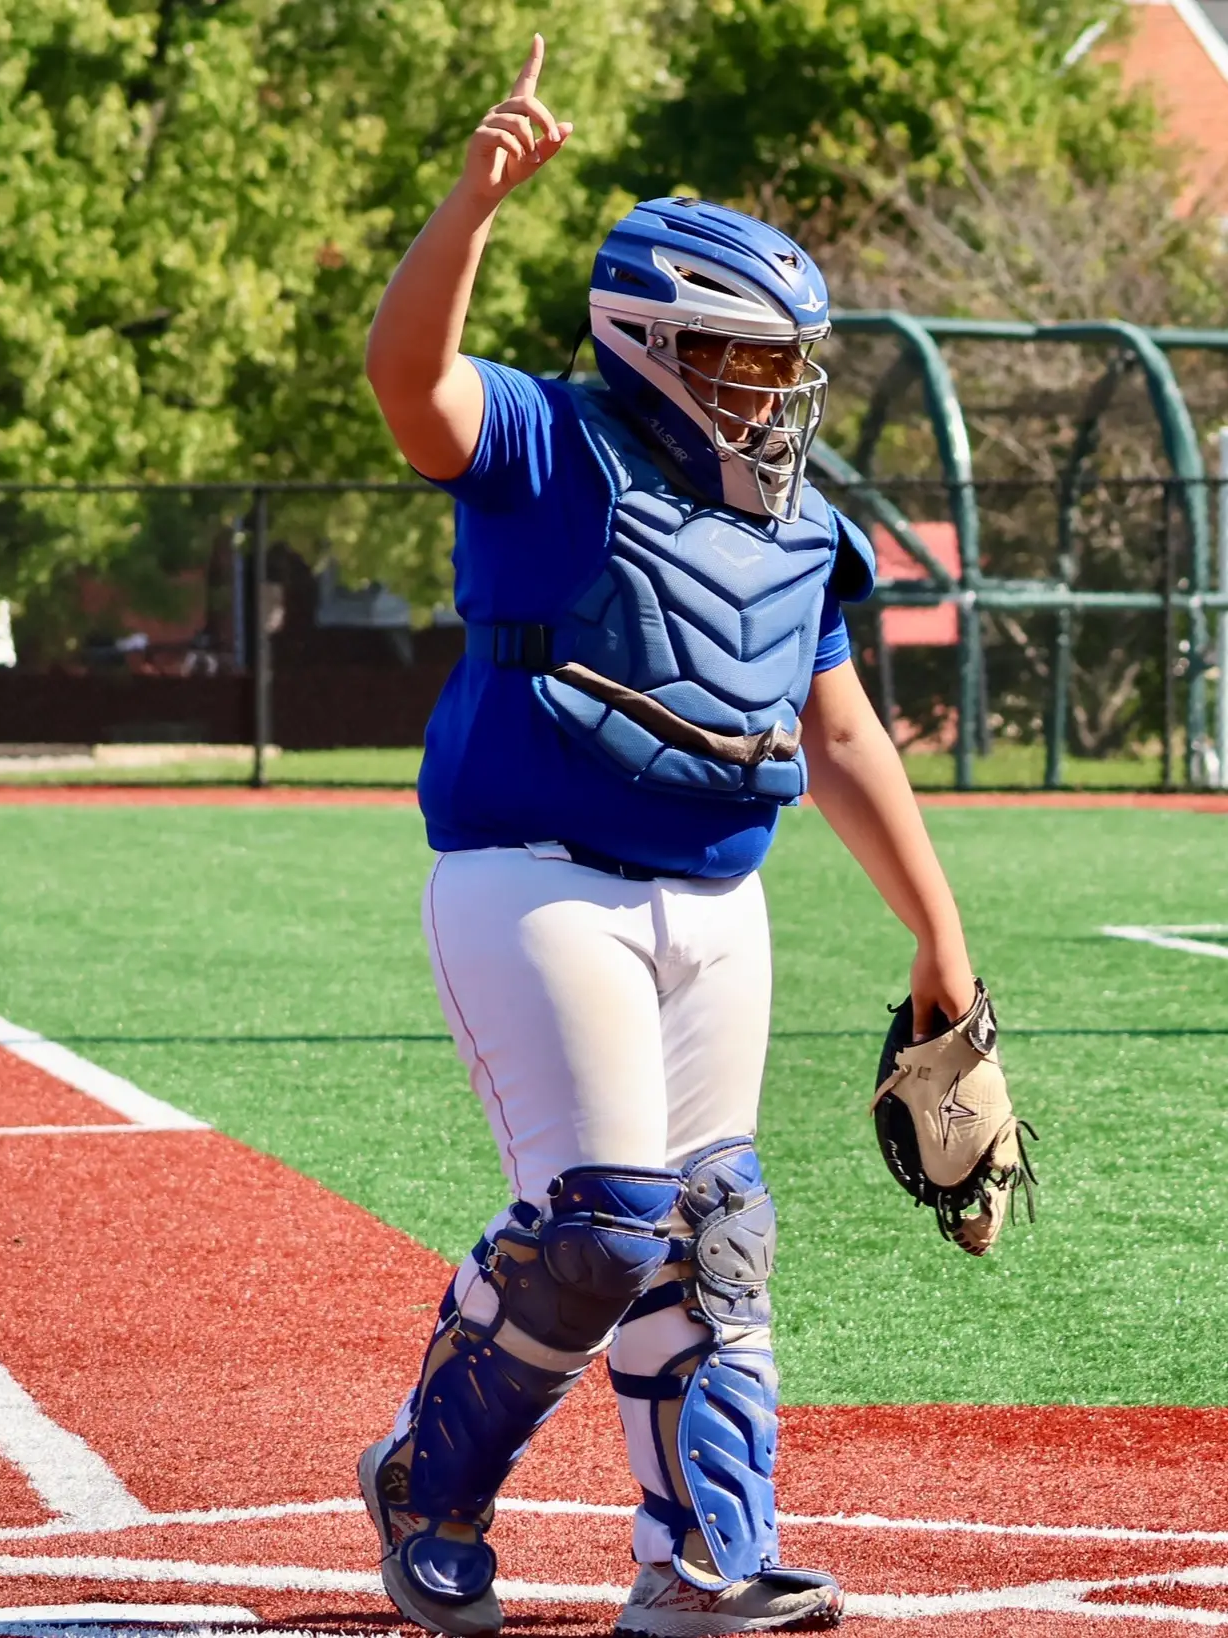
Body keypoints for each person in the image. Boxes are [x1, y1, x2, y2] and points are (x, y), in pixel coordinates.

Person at [359, 34, 977, 1638]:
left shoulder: (796, 522)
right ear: (654, 343)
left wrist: (940, 936)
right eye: (746, 363)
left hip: (717, 902)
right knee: (600, 1223)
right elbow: (408, 381)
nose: (776, 395)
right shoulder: (550, 441)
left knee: (716, 1230)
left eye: (788, 367)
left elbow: (844, 733)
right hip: (533, 883)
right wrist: (473, 204)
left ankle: (705, 1557)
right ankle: (429, 1483)